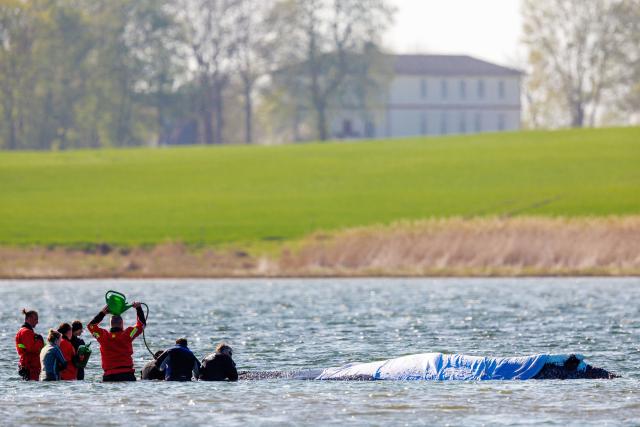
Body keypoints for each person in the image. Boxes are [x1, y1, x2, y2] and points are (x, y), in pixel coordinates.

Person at [87, 302, 145, 382]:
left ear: (110, 324)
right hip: (127, 375)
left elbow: (91, 326)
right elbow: (142, 325)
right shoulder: (128, 334)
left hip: (109, 376)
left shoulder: (103, 336)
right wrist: (138, 308)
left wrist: (103, 313)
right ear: (122, 323)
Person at [15, 308, 45, 381]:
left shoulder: (23, 331)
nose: (37, 322)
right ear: (29, 318)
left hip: (28, 365)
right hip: (30, 366)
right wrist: (40, 341)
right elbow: (31, 349)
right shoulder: (26, 332)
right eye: (35, 319)